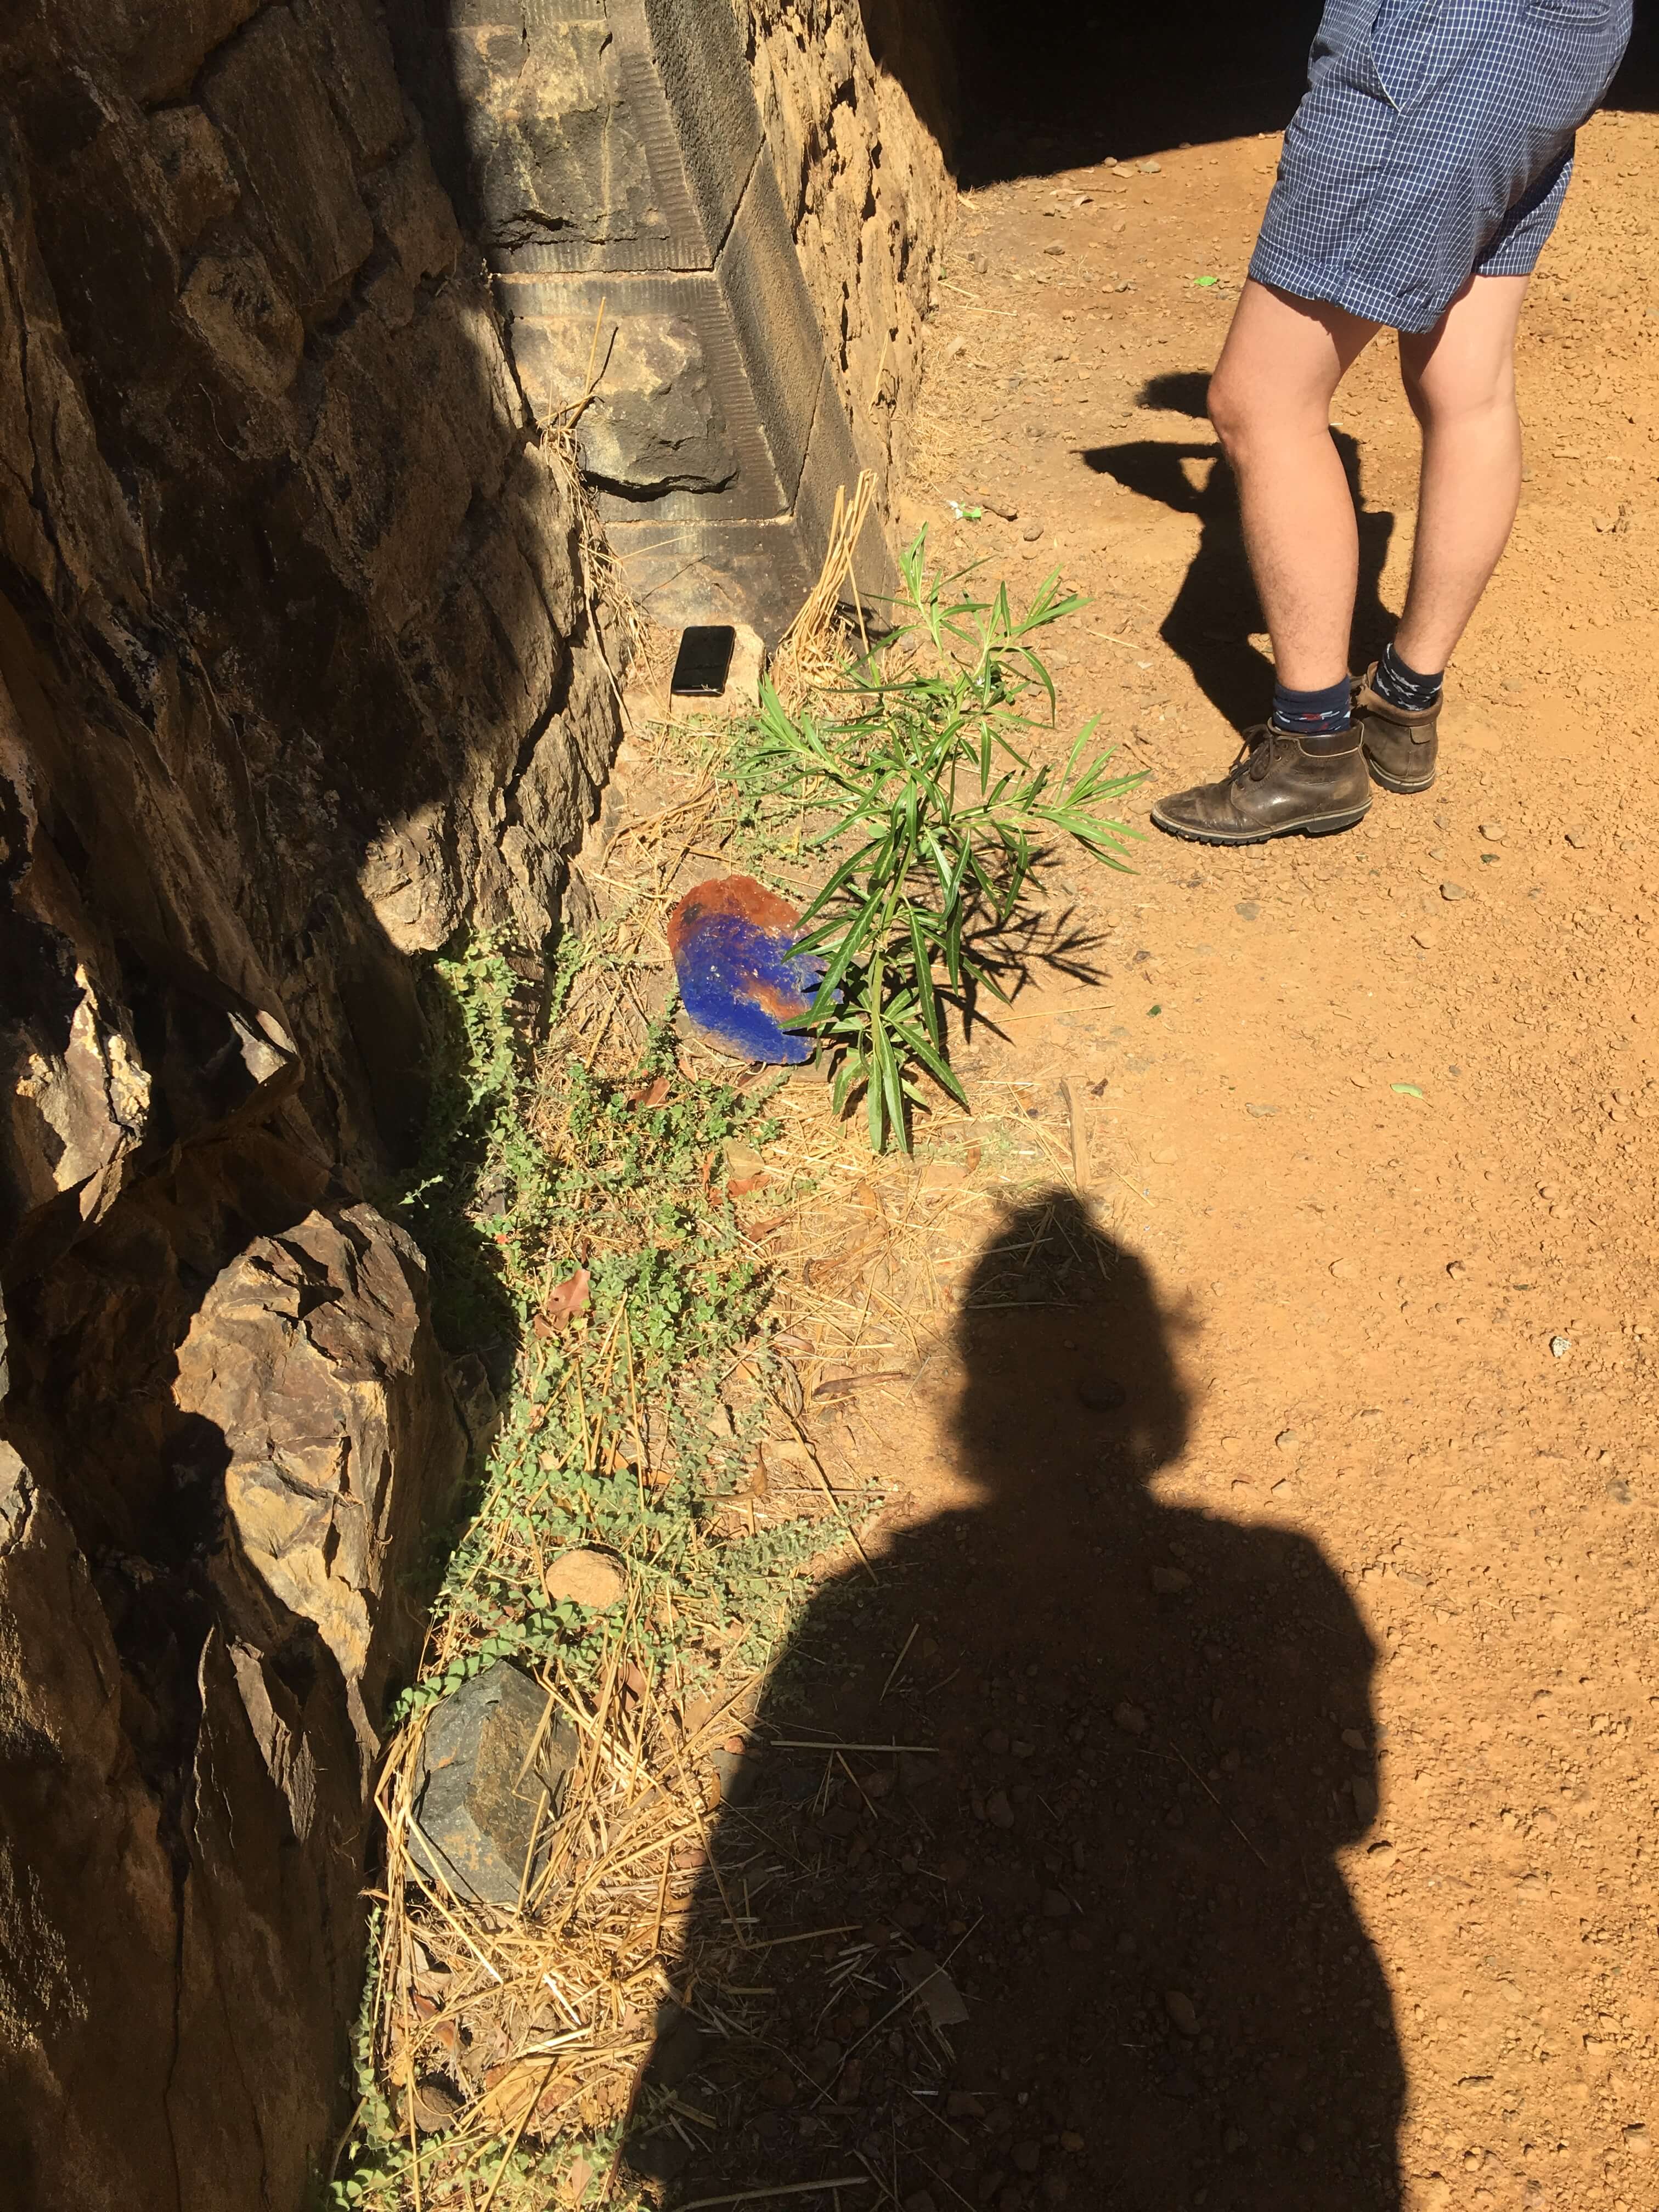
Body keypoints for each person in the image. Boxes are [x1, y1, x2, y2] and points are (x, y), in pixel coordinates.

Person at [1153, 0, 1634, 847]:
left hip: (1442, 39)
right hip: (1564, 36)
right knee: (1467, 381)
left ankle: (1311, 750)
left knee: (1261, 403)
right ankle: (1404, 706)